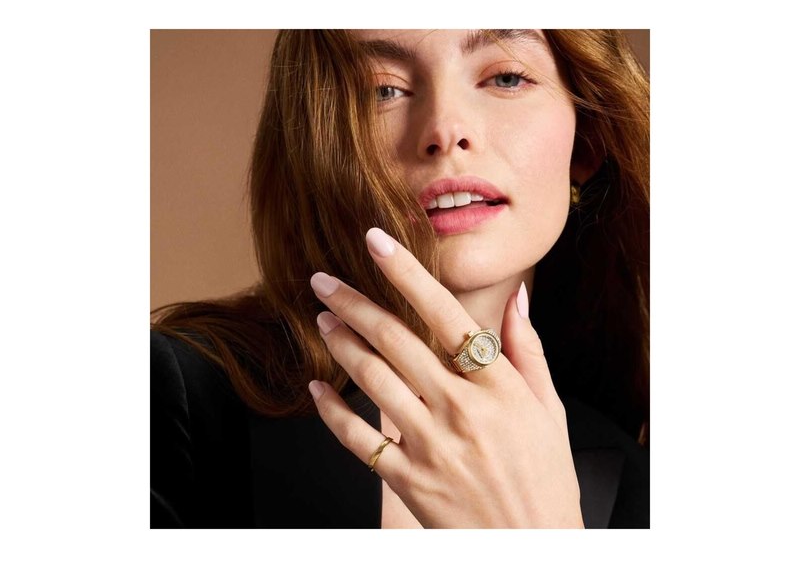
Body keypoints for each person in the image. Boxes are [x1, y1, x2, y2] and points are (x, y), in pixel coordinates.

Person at [150, 29, 649, 528]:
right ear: (315, 142)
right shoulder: (179, 399)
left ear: (589, 140)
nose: (445, 131)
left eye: (506, 78)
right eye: (383, 90)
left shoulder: (639, 485)